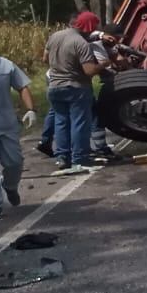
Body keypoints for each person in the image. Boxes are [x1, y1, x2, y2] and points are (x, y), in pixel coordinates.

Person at [43, 12, 105, 175]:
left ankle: (63, 157)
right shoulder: (80, 43)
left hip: (54, 86)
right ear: (89, 27)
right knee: (79, 124)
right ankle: (80, 159)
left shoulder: (55, 36)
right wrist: (104, 64)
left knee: (61, 122)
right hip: (76, 87)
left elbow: (44, 59)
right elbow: (89, 70)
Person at [0, 52, 38, 220]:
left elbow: (22, 87)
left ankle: (10, 186)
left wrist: (31, 110)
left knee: (15, 163)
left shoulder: (4, 65)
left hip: (6, 125)